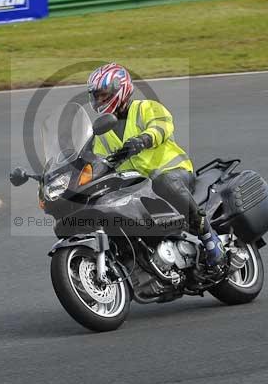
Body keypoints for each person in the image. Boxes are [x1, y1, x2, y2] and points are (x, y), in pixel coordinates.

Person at [88, 63, 225, 269]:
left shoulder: (145, 108)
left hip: (172, 172)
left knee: (164, 181)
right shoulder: (102, 131)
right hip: (138, 185)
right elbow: (95, 158)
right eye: (96, 96)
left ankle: (208, 236)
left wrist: (144, 139)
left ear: (120, 89)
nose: (99, 100)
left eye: (103, 94)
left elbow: (162, 125)